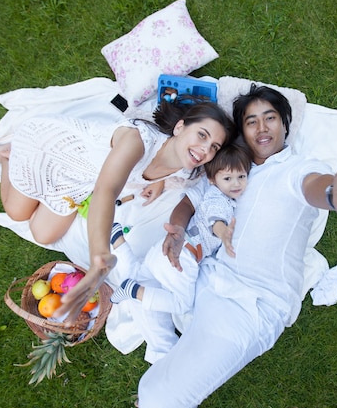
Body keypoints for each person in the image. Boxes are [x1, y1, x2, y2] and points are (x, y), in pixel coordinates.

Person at [57, 84, 337, 407]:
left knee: (165, 397)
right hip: (206, 273)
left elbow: (315, 187)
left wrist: (333, 193)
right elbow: (192, 199)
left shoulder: (299, 168)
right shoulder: (235, 169)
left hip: (251, 303)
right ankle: (162, 351)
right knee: (151, 286)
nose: (262, 128)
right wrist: (177, 227)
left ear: (285, 124)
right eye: (251, 121)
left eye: (271, 118)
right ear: (242, 132)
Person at [0, 95, 238, 248]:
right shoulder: (137, 139)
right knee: (16, 212)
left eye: (213, 146)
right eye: (202, 135)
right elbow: (106, 190)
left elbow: (169, 174)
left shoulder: (185, 170)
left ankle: (13, 162)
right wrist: (100, 251)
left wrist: (160, 181)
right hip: (50, 148)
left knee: (43, 235)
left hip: (78, 180)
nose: (204, 150)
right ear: (180, 127)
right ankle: (7, 155)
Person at [108, 142, 253, 363]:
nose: (236, 184)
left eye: (241, 177)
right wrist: (224, 234)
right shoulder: (219, 200)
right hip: (184, 256)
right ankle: (134, 291)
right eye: (228, 178)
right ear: (213, 180)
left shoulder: (217, 194)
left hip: (161, 251)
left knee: (142, 271)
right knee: (182, 303)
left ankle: (119, 244)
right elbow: (216, 220)